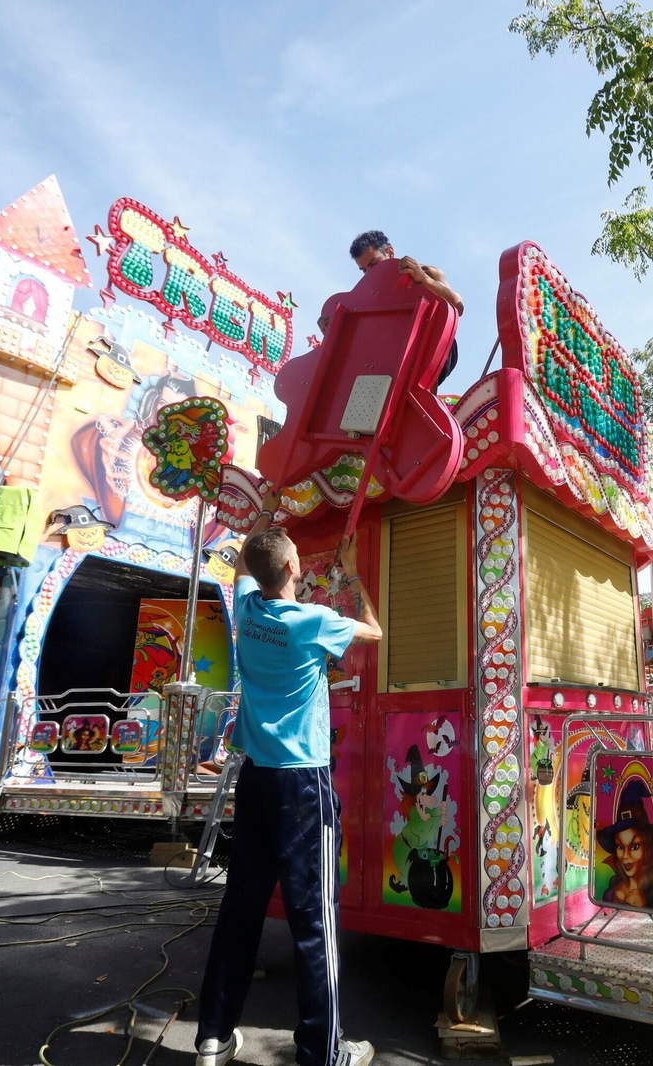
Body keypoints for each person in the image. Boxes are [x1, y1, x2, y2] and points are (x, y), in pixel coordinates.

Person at [194, 497, 384, 1066]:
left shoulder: (246, 610)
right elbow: (375, 632)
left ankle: (213, 1037)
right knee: (313, 918)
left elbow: (242, 563)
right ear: (293, 568)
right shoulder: (313, 622)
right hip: (302, 786)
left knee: (241, 906)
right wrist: (351, 572)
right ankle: (323, 1051)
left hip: (255, 780)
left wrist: (266, 510)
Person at [320, 230, 464, 386]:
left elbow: (457, 305)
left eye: (373, 264)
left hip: (435, 346)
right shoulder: (371, 297)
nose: (370, 273)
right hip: (394, 354)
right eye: (364, 270)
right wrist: (334, 331)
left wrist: (424, 280)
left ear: (390, 251)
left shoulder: (426, 272)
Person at [597, 778, 653, 911]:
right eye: (620, 847)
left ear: (648, 847)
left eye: (634, 847)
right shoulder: (611, 890)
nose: (625, 856)